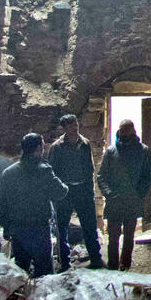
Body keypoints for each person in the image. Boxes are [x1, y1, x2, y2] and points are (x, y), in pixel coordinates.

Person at [0, 133, 69, 277]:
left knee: (20, 271)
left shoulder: (8, 173)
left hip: (17, 228)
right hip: (38, 229)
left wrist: (5, 226)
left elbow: (2, 202)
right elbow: (60, 192)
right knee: (44, 273)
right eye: (42, 146)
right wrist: (64, 184)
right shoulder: (44, 171)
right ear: (38, 148)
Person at [47, 114, 104, 269]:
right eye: (71, 124)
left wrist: (88, 189)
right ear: (64, 127)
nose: (75, 127)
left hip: (82, 189)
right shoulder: (57, 147)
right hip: (65, 191)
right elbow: (52, 172)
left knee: (89, 224)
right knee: (62, 226)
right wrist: (58, 190)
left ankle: (96, 257)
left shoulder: (84, 144)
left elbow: (90, 168)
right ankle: (64, 262)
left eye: (76, 123)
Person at [97, 119, 151, 271]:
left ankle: (125, 265)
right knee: (113, 237)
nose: (124, 134)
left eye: (126, 131)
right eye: (122, 131)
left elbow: (147, 176)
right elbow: (101, 176)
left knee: (129, 236)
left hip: (132, 201)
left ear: (133, 131)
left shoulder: (143, 151)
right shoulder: (111, 151)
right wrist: (108, 194)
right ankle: (113, 266)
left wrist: (139, 193)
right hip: (115, 201)